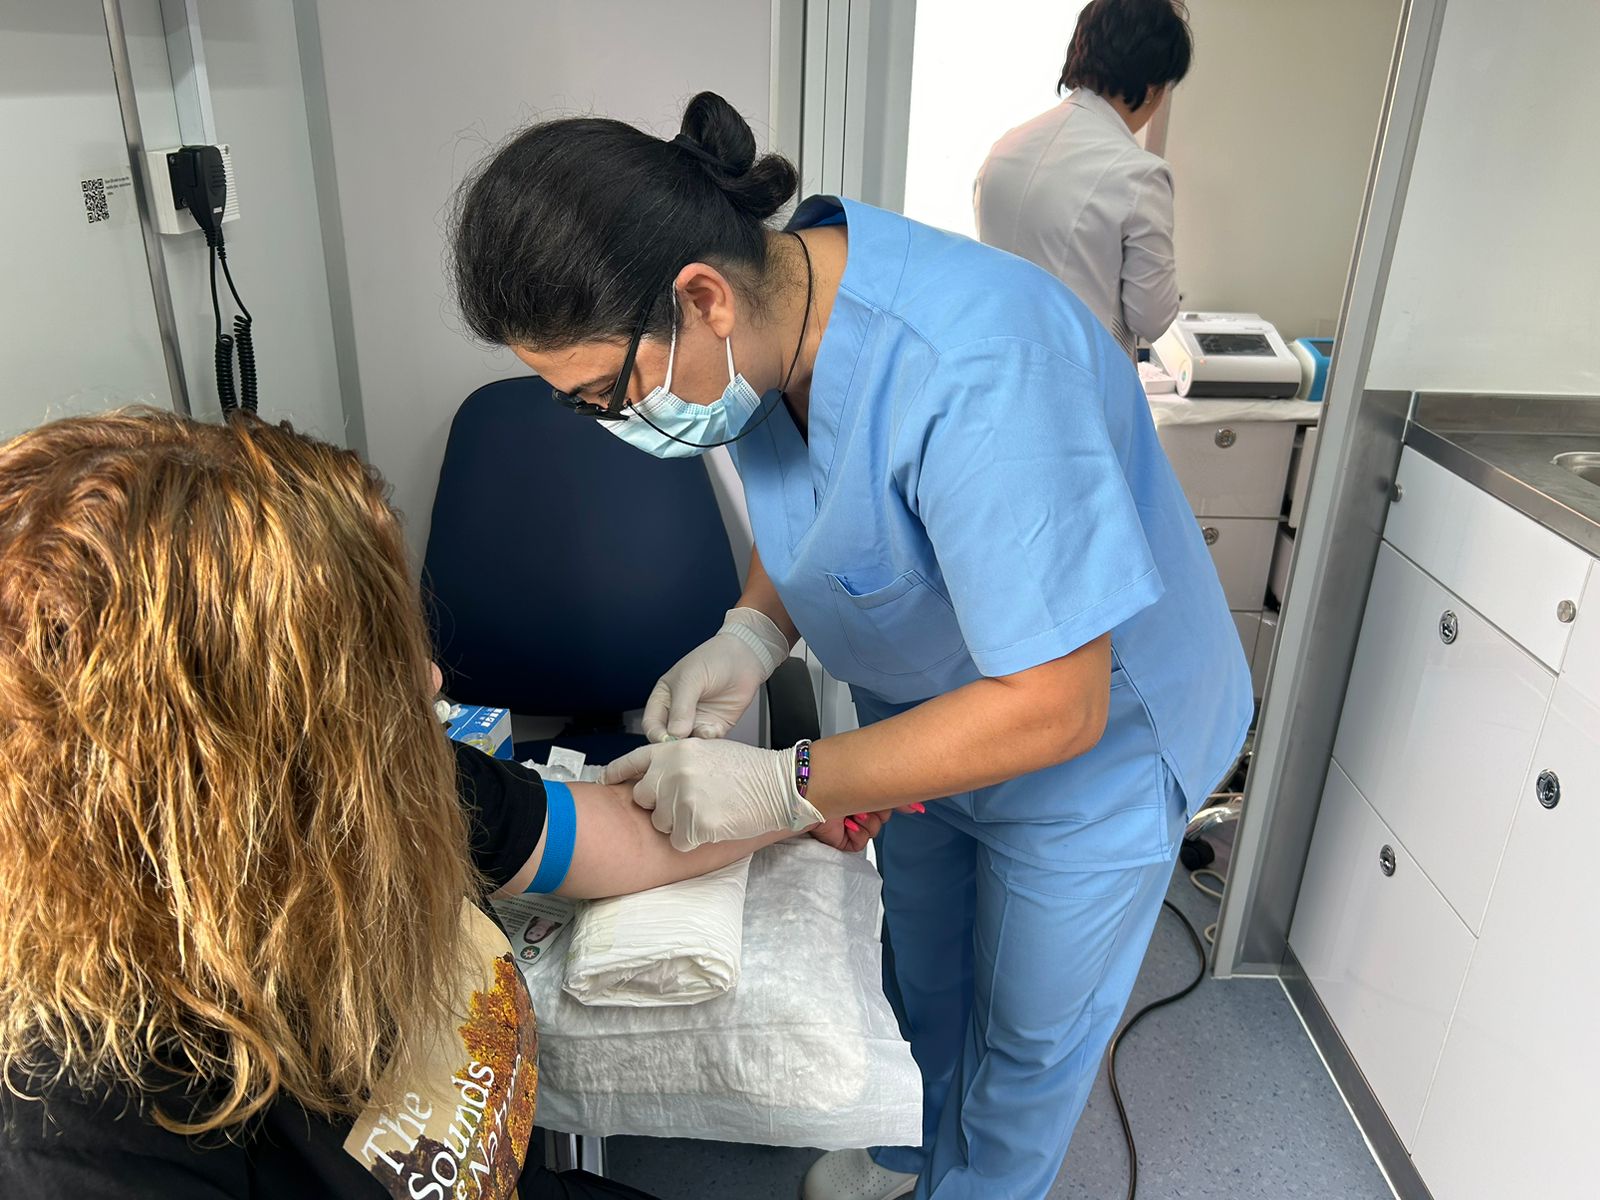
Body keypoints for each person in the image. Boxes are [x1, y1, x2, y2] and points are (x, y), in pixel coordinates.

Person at [449, 90, 1250, 1200]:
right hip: (920, 708)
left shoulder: (977, 370)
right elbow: (823, 500)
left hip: (1092, 748)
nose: (606, 426)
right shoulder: (768, 329)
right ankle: (912, 1152)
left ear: (700, 297)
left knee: (1024, 1043)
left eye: (602, 394)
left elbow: (1055, 703)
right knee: (922, 974)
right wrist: (750, 628)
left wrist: (786, 784)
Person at [0, 409, 845, 1200]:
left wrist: (794, 795)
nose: (434, 680)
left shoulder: (372, 783)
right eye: (373, 660)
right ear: (228, 749)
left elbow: (617, 835)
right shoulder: (77, 1130)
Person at [975, 0, 1193, 357]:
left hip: (998, 367)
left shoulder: (1006, 147)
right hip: (1079, 383)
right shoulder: (1139, 173)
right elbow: (1151, 318)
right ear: (1154, 88)